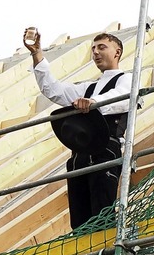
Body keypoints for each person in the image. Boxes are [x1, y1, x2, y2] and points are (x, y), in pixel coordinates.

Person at [24, 30, 134, 229]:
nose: (96, 53)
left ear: (117, 52)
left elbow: (123, 97)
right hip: (79, 157)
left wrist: (92, 103)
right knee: (80, 220)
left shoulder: (125, 80)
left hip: (104, 151)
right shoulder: (89, 87)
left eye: (102, 47)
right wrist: (37, 54)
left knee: (102, 215)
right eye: (93, 49)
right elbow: (53, 90)